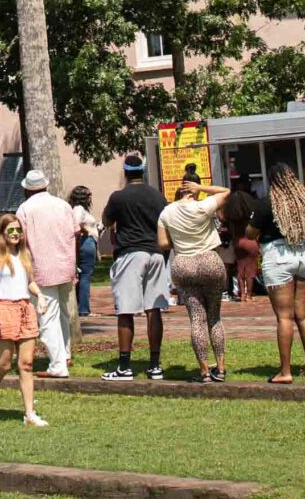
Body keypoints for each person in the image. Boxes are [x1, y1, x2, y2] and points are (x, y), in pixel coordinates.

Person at [101, 153, 171, 381]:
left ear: (125, 172)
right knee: (154, 309)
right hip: (156, 253)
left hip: (131, 253)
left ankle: (124, 366)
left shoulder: (119, 197)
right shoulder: (157, 196)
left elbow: (106, 222)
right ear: (143, 171)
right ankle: (154, 365)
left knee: (126, 310)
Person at [159, 173, 232, 383]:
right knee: (214, 317)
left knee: (196, 320)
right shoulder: (203, 206)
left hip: (184, 262)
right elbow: (225, 192)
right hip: (210, 259)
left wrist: (181, 241)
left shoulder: (166, 212)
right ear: (193, 190)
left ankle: (203, 371)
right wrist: (202, 187)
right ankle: (221, 367)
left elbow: (163, 243)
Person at [0, 215, 45, 427]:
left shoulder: (24, 254)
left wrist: (40, 296)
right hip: (2, 308)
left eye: (18, 230)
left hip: (24, 309)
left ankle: (29, 414)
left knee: (26, 364)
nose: (15, 234)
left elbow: (29, 282)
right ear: (2, 232)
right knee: (4, 364)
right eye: (11, 230)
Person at [252, 162, 305, 382]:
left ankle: (286, 371)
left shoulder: (266, 203)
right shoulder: (304, 200)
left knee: (284, 317)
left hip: (278, 256)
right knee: (304, 315)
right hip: (301, 254)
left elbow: (251, 232)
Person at [15, 169, 77, 377]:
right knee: (63, 314)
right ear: (46, 185)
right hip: (65, 265)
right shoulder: (63, 205)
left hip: (42, 268)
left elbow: (19, 240)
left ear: (27, 189)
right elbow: (74, 232)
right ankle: (65, 354)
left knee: (48, 317)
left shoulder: (24, 209)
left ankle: (58, 365)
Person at [223, 178, 260, 302]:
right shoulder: (249, 214)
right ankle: (249, 295)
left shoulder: (233, 216)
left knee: (240, 269)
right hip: (250, 241)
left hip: (237, 241)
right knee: (250, 270)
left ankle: (242, 294)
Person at [69, 185, 102, 321]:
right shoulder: (79, 209)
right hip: (85, 242)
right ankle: (84, 309)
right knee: (85, 276)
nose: (90, 198)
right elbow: (75, 225)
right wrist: (85, 231)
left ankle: (81, 307)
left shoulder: (81, 209)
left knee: (84, 275)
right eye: (88, 195)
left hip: (88, 242)